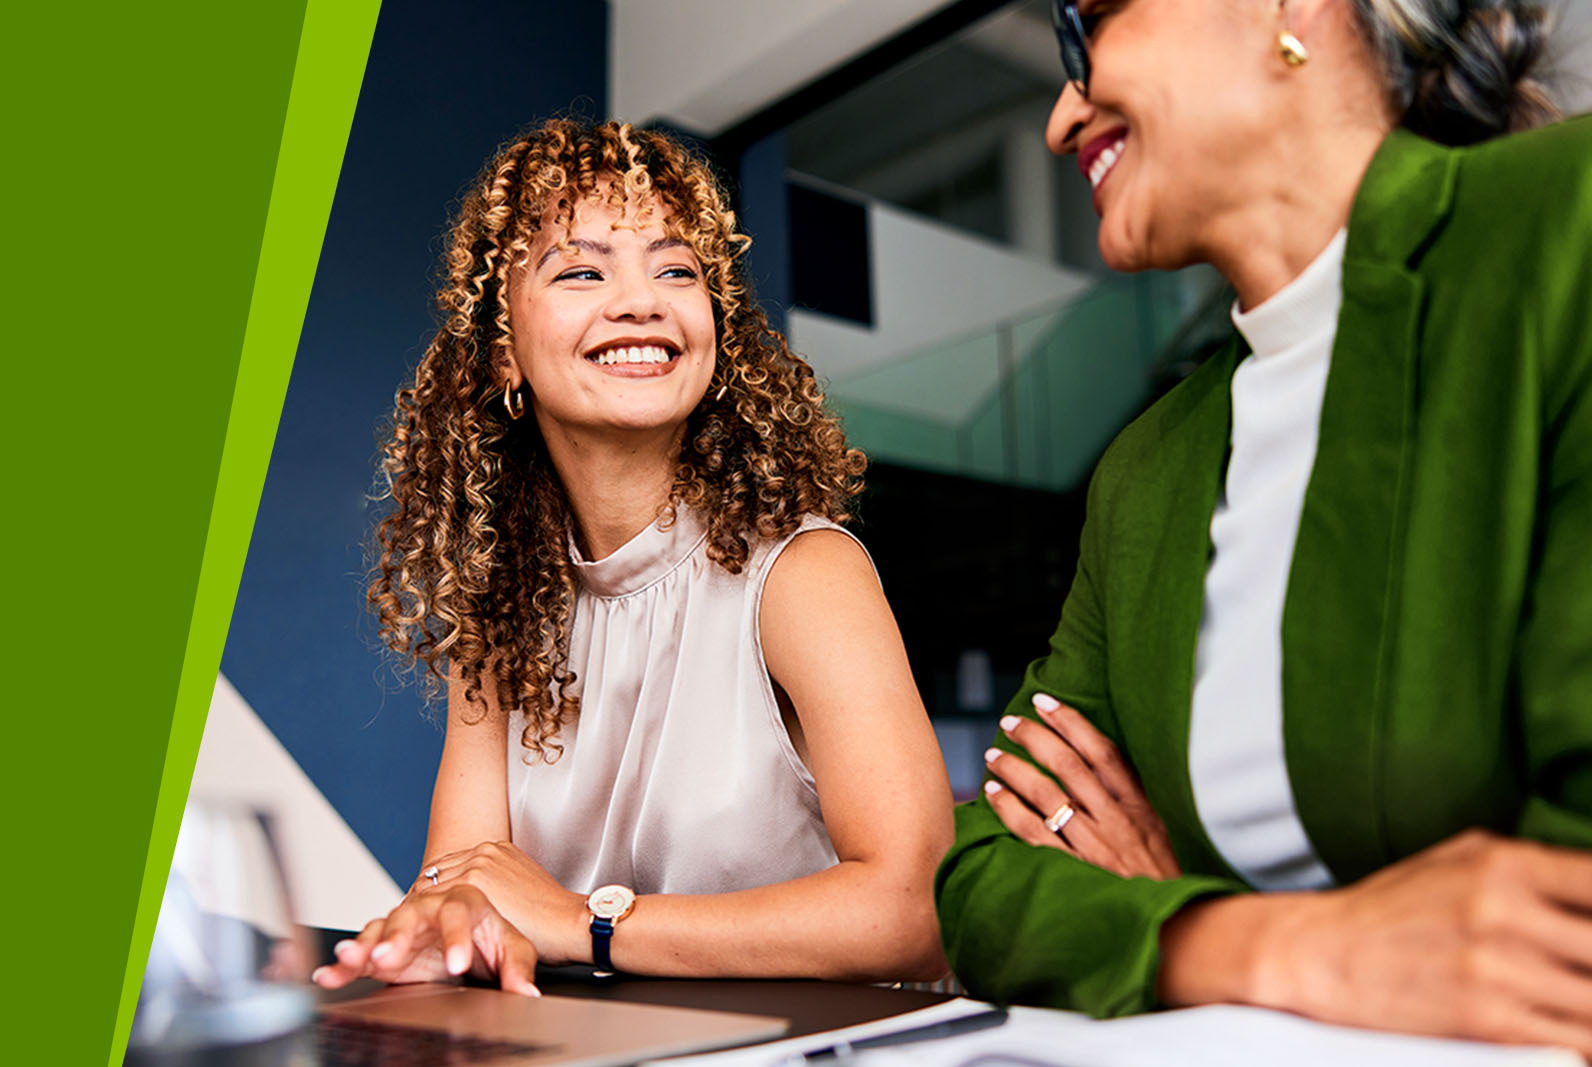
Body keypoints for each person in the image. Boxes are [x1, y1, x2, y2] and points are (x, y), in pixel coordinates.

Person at [937, 0, 1592, 1055]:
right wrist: (1254, 941)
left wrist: (1153, 915)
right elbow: (984, 876)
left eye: (1087, 27)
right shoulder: (1147, 469)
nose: (1061, 119)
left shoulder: (1569, 227)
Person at [312, 119, 953, 995]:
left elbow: (917, 910)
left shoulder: (804, 575)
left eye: (676, 269)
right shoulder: (500, 617)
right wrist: (441, 926)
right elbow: (465, 884)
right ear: (503, 348)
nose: (642, 301)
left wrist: (585, 922)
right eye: (581, 270)